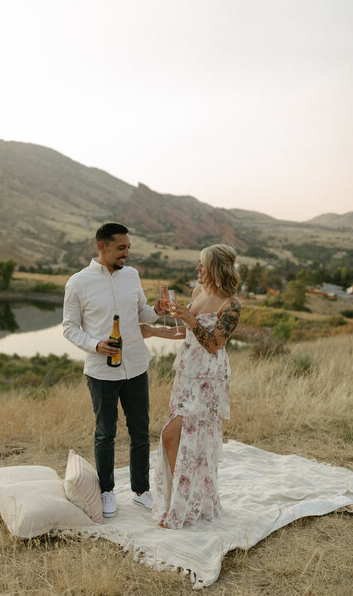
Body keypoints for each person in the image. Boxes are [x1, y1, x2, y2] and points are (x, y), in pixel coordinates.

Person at [63, 223, 165, 518]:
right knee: (105, 433)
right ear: (102, 247)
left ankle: (141, 491)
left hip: (136, 366)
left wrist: (156, 310)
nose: (126, 253)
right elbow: (69, 327)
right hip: (100, 372)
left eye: (128, 247)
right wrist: (95, 345)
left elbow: (141, 312)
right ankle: (107, 491)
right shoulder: (78, 283)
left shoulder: (132, 275)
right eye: (121, 248)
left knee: (141, 432)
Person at [141, 244, 241, 529]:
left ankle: (183, 507)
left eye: (201, 265)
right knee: (179, 439)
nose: (197, 269)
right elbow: (186, 332)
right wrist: (153, 331)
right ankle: (182, 505)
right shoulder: (198, 293)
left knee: (177, 437)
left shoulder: (231, 304)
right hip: (186, 372)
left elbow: (212, 344)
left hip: (208, 378)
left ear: (215, 269)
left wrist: (190, 318)